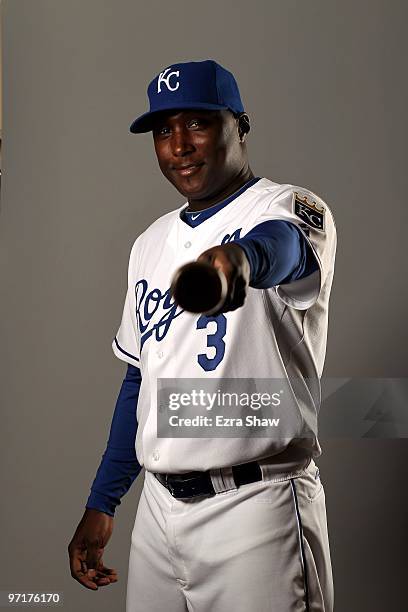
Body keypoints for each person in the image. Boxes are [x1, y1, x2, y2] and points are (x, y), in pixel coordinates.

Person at [68, 59, 336, 611]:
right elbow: (140, 382)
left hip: (255, 509)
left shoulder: (286, 206)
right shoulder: (149, 243)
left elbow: (282, 246)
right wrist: (103, 501)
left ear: (240, 125)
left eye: (198, 123)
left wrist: (239, 260)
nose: (179, 145)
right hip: (159, 517)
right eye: (164, 130)